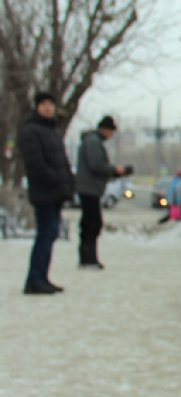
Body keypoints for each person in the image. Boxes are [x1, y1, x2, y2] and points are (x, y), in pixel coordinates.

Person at [16, 91, 75, 295]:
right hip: (44, 192)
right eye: (44, 104)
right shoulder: (31, 131)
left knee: (50, 235)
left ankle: (41, 277)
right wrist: (54, 179)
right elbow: (35, 164)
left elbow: (62, 162)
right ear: (37, 107)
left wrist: (67, 183)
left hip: (55, 192)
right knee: (45, 235)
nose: (48, 108)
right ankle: (35, 279)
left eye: (51, 104)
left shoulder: (53, 131)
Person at [75, 115, 129, 268]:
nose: (112, 136)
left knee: (89, 223)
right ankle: (88, 258)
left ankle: (87, 257)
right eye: (111, 132)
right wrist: (115, 170)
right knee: (93, 223)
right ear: (106, 130)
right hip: (89, 188)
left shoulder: (91, 141)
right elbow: (96, 165)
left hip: (89, 187)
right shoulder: (93, 142)